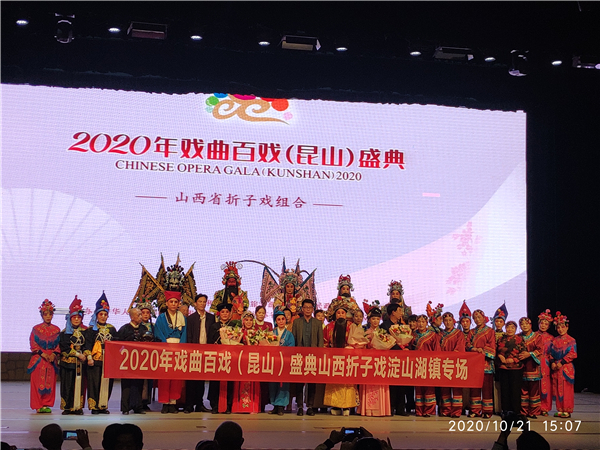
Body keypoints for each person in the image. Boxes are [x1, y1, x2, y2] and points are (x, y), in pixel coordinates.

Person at [84, 292, 118, 414]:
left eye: (105, 314)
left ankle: (103, 405)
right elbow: (87, 344)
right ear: (96, 315)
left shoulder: (112, 329)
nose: (103, 317)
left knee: (107, 383)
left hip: (108, 361)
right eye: (101, 314)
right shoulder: (91, 329)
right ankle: (94, 406)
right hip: (95, 361)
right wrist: (89, 357)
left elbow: (117, 345)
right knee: (94, 383)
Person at [323, 299, 358, 416]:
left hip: (348, 360)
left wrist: (351, 348)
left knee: (347, 383)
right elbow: (325, 343)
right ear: (335, 314)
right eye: (338, 313)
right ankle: (335, 405)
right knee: (335, 383)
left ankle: (347, 406)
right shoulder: (328, 327)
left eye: (343, 313)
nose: (341, 315)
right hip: (334, 359)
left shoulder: (352, 326)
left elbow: (358, 342)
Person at [154, 290, 187, 413]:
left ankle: (173, 402)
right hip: (165, 349)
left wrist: (181, 347)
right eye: (171, 302)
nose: (173, 304)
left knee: (176, 376)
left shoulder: (183, 318)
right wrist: (165, 346)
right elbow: (158, 332)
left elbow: (184, 334)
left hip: (178, 348)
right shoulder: (161, 318)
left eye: (175, 302)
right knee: (164, 376)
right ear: (167, 303)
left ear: (178, 304)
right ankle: (164, 403)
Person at [292, 298, 324, 416]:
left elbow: (320, 341)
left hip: (313, 356)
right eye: (305, 307)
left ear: (313, 309)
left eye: (310, 308)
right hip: (299, 356)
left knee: (312, 382)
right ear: (302, 309)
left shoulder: (317, 323)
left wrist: (319, 355)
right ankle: (300, 406)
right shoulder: (297, 322)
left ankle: (310, 406)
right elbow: (294, 339)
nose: (307, 310)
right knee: (299, 383)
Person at [184, 293, 215, 413]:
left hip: (206, 352)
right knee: (191, 379)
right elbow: (189, 335)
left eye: (204, 302)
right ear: (195, 303)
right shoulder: (190, 319)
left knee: (201, 380)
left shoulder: (211, 317)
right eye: (200, 302)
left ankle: (199, 404)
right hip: (193, 352)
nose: (202, 304)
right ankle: (189, 405)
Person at [207, 303, 241, 413]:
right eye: (223, 312)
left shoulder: (234, 326)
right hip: (217, 358)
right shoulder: (214, 326)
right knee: (215, 382)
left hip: (230, 358)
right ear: (219, 313)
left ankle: (228, 405)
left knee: (230, 382)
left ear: (230, 313)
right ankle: (215, 405)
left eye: (227, 312)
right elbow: (210, 342)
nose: (225, 314)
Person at [28, 299, 61, 413]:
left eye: (50, 314)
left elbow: (59, 344)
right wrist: (42, 353)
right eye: (45, 314)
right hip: (39, 359)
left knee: (50, 381)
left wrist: (54, 354)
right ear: (42, 315)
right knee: (37, 382)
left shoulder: (56, 330)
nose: (48, 316)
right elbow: (33, 343)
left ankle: (46, 404)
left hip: (51, 359)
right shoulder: (36, 329)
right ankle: (38, 405)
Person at [360, 306, 392, 417]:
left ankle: (381, 409)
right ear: (369, 320)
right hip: (369, 363)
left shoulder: (383, 332)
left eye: (378, 319)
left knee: (380, 385)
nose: (375, 321)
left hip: (380, 363)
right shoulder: (365, 333)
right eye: (373, 319)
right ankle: (368, 409)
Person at [380, 303, 411, 416]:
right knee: (391, 384)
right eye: (399, 310)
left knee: (402, 383)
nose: (401, 313)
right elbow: (384, 341)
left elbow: (406, 339)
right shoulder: (384, 326)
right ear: (393, 312)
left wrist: (406, 347)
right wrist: (399, 348)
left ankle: (401, 408)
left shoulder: (402, 326)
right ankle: (391, 407)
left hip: (401, 359)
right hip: (390, 358)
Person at [59, 296, 88, 415]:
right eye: (74, 317)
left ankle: (78, 407)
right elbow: (64, 348)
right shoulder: (64, 332)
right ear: (70, 318)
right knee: (67, 385)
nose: (76, 319)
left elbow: (87, 345)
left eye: (78, 317)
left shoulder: (85, 331)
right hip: (67, 364)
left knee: (79, 385)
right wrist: (77, 354)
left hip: (80, 364)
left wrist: (86, 354)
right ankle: (67, 407)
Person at [117, 307, 146, 415]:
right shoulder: (124, 329)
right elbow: (118, 345)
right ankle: (125, 407)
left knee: (139, 384)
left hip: (140, 361)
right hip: (126, 362)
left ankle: (138, 406)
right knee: (126, 385)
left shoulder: (144, 329)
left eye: (141, 314)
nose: (141, 317)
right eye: (138, 315)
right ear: (132, 317)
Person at [467, 309, 496, 418]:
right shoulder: (471, 332)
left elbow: (492, 346)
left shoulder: (490, 331)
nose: (477, 319)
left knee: (487, 388)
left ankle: (487, 411)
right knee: (474, 388)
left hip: (486, 364)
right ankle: (475, 410)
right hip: (474, 363)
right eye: (475, 318)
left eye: (479, 317)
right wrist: (475, 349)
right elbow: (467, 344)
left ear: (484, 318)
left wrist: (482, 350)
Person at [231, 310, 261, 413]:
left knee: (252, 383)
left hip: (252, 361)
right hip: (241, 362)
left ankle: (252, 407)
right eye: (246, 320)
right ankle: (238, 407)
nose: (248, 322)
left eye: (250, 320)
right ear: (243, 321)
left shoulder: (256, 333)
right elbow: (234, 345)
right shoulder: (238, 332)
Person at [548, 311, 577, 418]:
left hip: (566, 368)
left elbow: (573, 353)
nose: (561, 329)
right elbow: (550, 353)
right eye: (558, 327)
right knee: (557, 389)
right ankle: (560, 409)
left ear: (567, 327)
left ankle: (567, 410)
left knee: (567, 390)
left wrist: (562, 362)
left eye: (563, 327)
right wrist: (552, 362)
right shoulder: (554, 340)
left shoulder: (571, 340)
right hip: (556, 367)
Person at [412, 314, 440, 417]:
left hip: (429, 365)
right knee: (418, 388)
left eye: (423, 322)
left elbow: (437, 350)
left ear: (426, 323)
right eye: (419, 322)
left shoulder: (432, 335)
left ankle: (429, 410)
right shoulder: (413, 335)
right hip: (417, 365)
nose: (421, 324)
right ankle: (419, 410)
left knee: (429, 387)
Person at [269, 308, 296, 415]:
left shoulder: (289, 334)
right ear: (276, 321)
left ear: (286, 320)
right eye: (278, 319)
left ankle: (281, 406)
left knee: (283, 384)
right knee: (273, 383)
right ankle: (275, 405)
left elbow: (292, 348)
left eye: (283, 319)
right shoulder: (271, 333)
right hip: (274, 362)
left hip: (284, 362)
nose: (281, 321)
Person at [496, 321, 526, 415]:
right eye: (508, 327)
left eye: (512, 328)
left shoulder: (520, 339)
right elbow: (497, 350)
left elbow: (523, 352)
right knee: (504, 389)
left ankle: (516, 411)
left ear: (516, 329)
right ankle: (505, 410)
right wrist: (500, 356)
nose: (510, 329)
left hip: (516, 368)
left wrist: (513, 359)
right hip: (503, 367)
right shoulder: (501, 339)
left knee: (515, 389)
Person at [439, 312, 465, 417]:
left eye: (450, 320)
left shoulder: (459, 333)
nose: (448, 322)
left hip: (455, 363)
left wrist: (452, 356)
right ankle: (446, 410)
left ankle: (456, 411)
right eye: (445, 321)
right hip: (444, 364)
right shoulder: (440, 334)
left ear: (453, 321)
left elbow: (460, 347)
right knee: (444, 388)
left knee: (456, 388)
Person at [517, 317, 542, 418]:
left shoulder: (537, 337)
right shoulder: (518, 337)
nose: (524, 326)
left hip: (533, 366)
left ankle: (534, 411)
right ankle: (523, 411)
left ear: (530, 325)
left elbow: (540, 349)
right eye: (522, 324)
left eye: (526, 324)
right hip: (521, 367)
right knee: (523, 390)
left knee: (534, 391)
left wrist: (529, 354)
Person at [536, 309, 554, 416]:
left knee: (545, 385)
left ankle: (545, 408)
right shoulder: (534, 335)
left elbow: (553, 353)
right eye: (542, 323)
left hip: (545, 363)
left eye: (546, 324)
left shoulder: (551, 338)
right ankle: (534, 407)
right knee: (535, 386)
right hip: (534, 362)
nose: (543, 325)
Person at [492, 302, 509, 415]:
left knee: (503, 386)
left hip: (503, 363)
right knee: (492, 385)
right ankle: (494, 407)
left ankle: (503, 408)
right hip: (492, 362)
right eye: (497, 321)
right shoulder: (490, 334)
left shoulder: (506, 336)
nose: (498, 323)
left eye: (500, 322)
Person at [459, 301, 473, 415]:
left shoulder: (475, 333)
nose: (465, 323)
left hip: (473, 363)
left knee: (473, 386)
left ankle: (473, 407)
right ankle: (462, 406)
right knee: (462, 387)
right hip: (461, 364)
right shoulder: (458, 334)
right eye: (463, 321)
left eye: (467, 321)